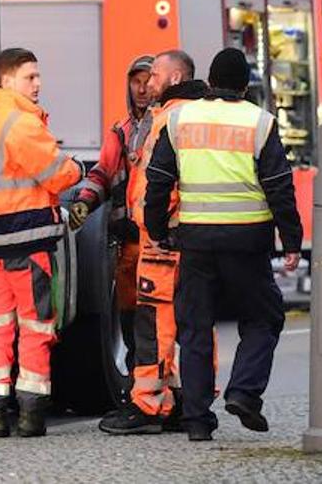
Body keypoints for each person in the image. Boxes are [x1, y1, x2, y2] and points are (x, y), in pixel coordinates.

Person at [143, 47, 301, 442]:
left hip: (195, 240)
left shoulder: (180, 119)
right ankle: (244, 392)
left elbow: (158, 178)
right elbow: (279, 185)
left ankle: (197, 421)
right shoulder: (260, 122)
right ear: (245, 86)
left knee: (195, 328)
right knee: (264, 319)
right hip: (248, 241)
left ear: (210, 82)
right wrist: (292, 239)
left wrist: (157, 228)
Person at [0, 48, 84, 438]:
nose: (38, 84)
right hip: (28, 244)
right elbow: (58, 175)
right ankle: (31, 415)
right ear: (7, 81)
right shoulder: (22, 124)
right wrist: (80, 168)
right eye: (30, 77)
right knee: (35, 327)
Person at [99, 50, 208, 435]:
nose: (149, 84)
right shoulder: (195, 115)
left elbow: (164, 182)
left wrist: (157, 227)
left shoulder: (168, 119)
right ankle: (184, 401)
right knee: (189, 322)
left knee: (154, 322)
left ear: (175, 77)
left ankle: (147, 404)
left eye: (157, 75)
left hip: (161, 238)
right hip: (188, 236)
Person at [68, 55, 156, 357]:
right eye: (136, 82)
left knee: (162, 323)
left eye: (147, 82)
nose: (142, 89)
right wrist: (83, 203)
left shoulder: (169, 124)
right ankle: (143, 390)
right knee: (132, 320)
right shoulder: (121, 131)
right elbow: (102, 174)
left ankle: (162, 392)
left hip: (161, 241)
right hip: (129, 242)